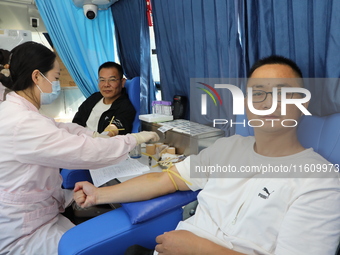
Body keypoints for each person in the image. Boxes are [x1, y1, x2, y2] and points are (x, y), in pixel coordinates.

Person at [74, 55, 340, 255]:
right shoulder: (229, 148)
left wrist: (198, 248)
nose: (268, 102)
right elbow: (167, 180)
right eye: (258, 93)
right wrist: (100, 195)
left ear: (302, 103)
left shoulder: (319, 181)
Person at [0, 41, 159, 255]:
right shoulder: (24, 124)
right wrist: (135, 139)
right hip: (22, 230)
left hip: (38, 213)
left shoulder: (17, 112)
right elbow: (88, 150)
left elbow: (64, 127)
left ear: (121, 82)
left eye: (112, 80)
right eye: (55, 78)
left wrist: (93, 135)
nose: (56, 84)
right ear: (37, 77)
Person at [72, 61, 136, 136]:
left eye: (112, 80)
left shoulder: (125, 107)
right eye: (102, 80)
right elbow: (76, 123)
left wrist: (99, 138)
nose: (106, 85)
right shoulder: (93, 98)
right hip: (79, 141)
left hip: (100, 144)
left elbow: (112, 130)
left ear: (122, 82)